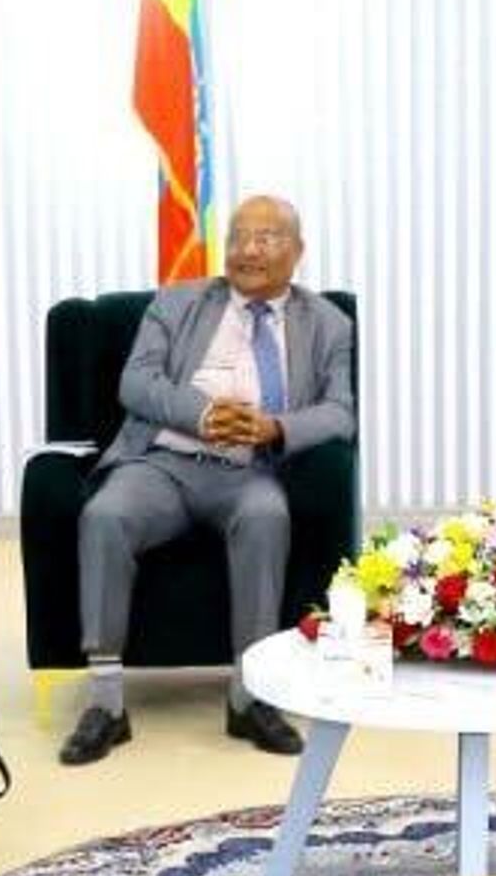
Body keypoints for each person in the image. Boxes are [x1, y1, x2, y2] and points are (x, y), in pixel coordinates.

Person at [60, 193, 358, 765]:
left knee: (267, 517)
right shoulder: (178, 303)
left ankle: (249, 698)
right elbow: (136, 383)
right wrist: (200, 413)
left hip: (250, 471)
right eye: (239, 238)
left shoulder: (327, 324)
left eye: (266, 238)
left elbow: (340, 411)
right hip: (162, 464)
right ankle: (106, 705)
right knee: (104, 514)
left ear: (297, 251)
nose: (248, 250)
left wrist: (273, 426)